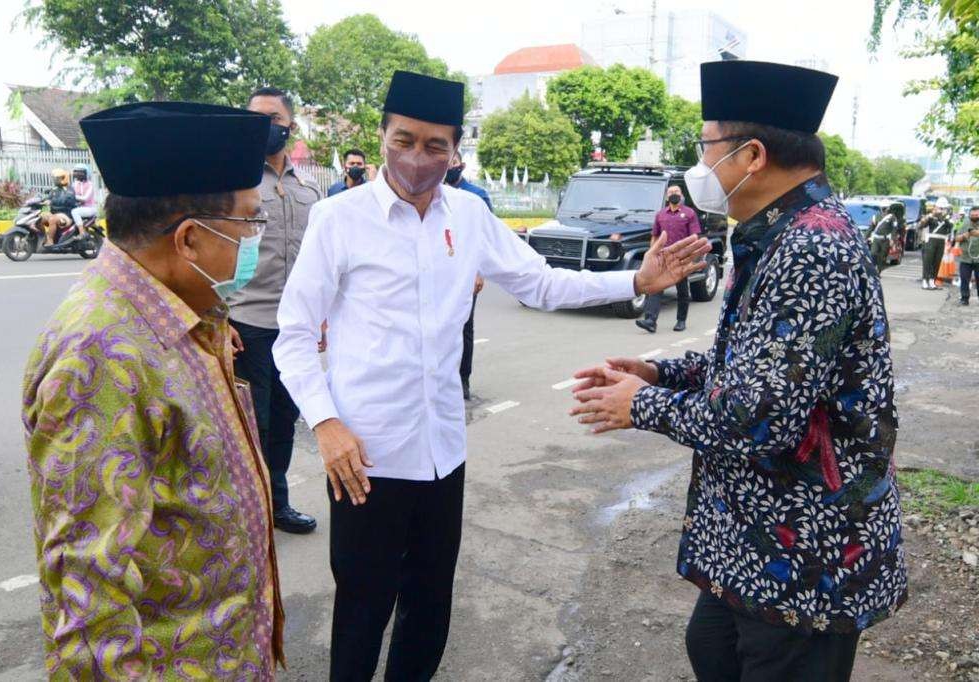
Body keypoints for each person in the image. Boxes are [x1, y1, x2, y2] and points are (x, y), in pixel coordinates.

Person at [272, 70, 710, 682]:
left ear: (455, 150)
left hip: (442, 452)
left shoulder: (469, 216)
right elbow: (293, 334)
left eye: (434, 146)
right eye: (403, 140)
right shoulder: (338, 220)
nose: (416, 158)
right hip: (364, 456)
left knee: (429, 607)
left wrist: (634, 281)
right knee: (362, 609)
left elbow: (540, 281)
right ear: (380, 137)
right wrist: (324, 424)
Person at [570, 61, 905, 682]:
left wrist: (638, 406)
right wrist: (658, 374)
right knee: (712, 646)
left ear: (751, 155)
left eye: (706, 146)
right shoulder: (779, 235)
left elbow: (763, 418)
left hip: (808, 548)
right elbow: (750, 364)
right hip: (759, 536)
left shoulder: (813, 248)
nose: (699, 164)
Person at [23, 102, 285, 678]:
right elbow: (89, 605)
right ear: (189, 239)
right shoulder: (100, 355)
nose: (256, 241)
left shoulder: (186, 313)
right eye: (251, 223)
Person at [228, 86, 323, 535]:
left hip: (296, 328)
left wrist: (323, 316)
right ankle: (252, 509)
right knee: (254, 424)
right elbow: (216, 253)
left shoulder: (309, 189)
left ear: (290, 123)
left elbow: (321, 261)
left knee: (285, 421)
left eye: (273, 117)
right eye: (256, 118)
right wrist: (218, 319)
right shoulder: (234, 180)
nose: (265, 125)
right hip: (248, 321)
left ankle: (277, 503)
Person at [444, 149, 491, 399]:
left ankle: (463, 378)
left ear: (460, 165)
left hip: (466, 273)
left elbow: (486, 241)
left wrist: (479, 271)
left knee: (464, 326)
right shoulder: (432, 194)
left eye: (452, 161)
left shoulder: (476, 196)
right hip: (442, 273)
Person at [636, 185, 703, 334]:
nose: (674, 194)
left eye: (676, 192)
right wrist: (652, 253)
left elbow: (695, 237)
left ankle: (681, 320)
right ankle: (650, 321)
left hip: (680, 258)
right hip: (663, 257)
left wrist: (691, 256)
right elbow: (655, 236)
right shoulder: (660, 215)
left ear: (682, 195)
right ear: (667, 197)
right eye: (671, 192)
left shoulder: (689, 213)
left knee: (682, 290)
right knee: (656, 288)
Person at [920, 197, 955, 289]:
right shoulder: (931, 217)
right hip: (931, 241)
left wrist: (945, 217)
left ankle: (932, 280)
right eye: (941, 208)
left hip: (941, 241)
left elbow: (951, 227)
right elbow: (921, 225)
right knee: (928, 261)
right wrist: (931, 215)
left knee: (937, 262)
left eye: (943, 208)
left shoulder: (948, 218)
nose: (942, 210)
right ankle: (925, 280)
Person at [40, 168, 77, 246]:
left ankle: (50, 241)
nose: (55, 180)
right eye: (54, 178)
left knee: (52, 219)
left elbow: (65, 200)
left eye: (57, 178)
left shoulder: (69, 190)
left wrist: (51, 202)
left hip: (67, 216)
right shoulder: (54, 189)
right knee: (39, 218)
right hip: (55, 213)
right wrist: (42, 204)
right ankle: (44, 238)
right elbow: (48, 199)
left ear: (64, 178)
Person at [866, 202, 903, 274]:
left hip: (885, 240)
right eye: (882, 208)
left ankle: (878, 270)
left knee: (882, 256)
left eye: (885, 208)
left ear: (888, 208)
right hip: (876, 239)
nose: (883, 209)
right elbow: (871, 228)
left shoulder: (892, 217)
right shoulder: (876, 216)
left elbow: (894, 229)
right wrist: (865, 237)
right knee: (873, 253)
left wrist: (893, 239)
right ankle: (873, 270)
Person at [954, 205, 979, 305]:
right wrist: (965, 235)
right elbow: (956, 238)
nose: (974, 217)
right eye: (972, 215)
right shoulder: (965, 223)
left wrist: (976, 233)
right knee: (964, 279)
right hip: (965, 258)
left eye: (977, 215)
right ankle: (964, 298)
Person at [70, 163, 97, 235]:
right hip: (79, 207)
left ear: (86, 173)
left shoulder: (90, 185)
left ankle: (82, 233)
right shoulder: (75, 184)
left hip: (89, 208)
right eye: (76, 171)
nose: (78, 174)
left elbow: (85, 198)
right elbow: (69, 192)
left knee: (74, 212)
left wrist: (73, 196)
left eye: (80, 172)